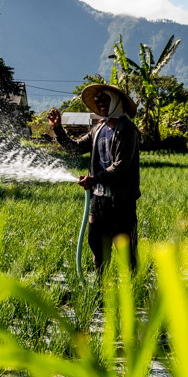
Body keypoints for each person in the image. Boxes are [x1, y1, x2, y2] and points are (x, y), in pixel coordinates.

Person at [47, 84, 140, 274]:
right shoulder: (98, 129)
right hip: (98, 202)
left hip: (121, 203)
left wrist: (93, 179)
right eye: (98, 101)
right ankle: (101, 294)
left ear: (116, 101)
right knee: (98, 249)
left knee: (127, 255)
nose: (101, 103)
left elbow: (120, 168)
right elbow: (74, 149)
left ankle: (133, 295)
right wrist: (58, 129)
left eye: (106, 99)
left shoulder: (127, 130)